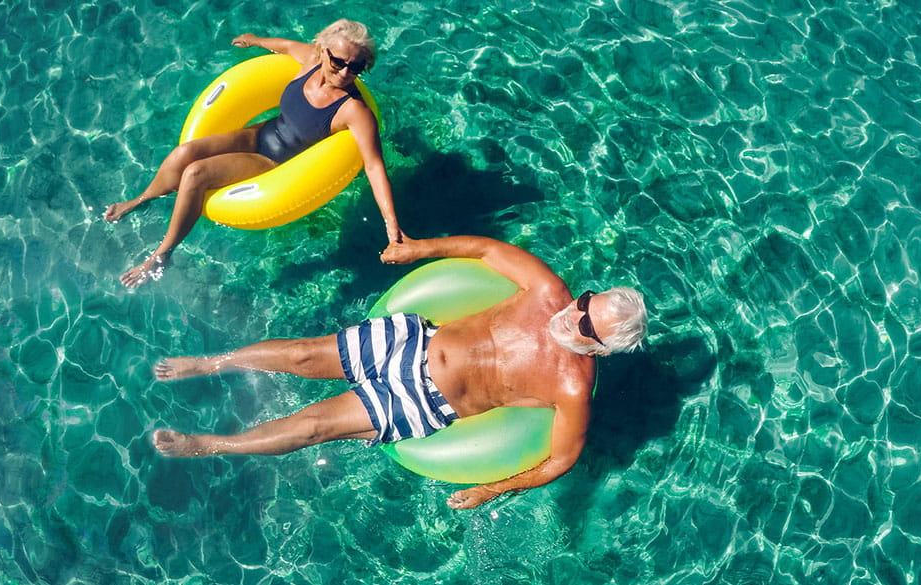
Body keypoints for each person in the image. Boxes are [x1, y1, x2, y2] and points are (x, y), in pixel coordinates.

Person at [150, 235, 648, 509]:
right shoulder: (547, 292)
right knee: (303, 354)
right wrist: (418, 249)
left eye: (586, 324)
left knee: (313, 427)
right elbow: (486, 252)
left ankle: (210, 444)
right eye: (586, 302)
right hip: (415, 339)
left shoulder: (571, 387)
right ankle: (212, 363)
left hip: (426, 402)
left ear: (602, 349)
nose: (574, 314)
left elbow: (560, 460)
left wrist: (491, 490)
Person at [104, 20, 404, 288]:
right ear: (323, 50)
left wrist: (393, 228)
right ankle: (142, 199)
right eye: (339, 61)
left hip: (273, 161)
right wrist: (256, 39)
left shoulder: (354, 111)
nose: (345, 72)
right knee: (185, 153)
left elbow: (374, 167)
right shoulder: (311, 60)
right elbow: (285, 46)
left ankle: (161, 254)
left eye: (357, 66)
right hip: (259, 134)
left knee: (197, 173)